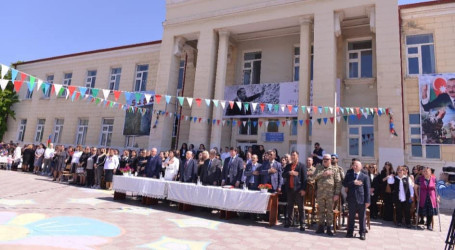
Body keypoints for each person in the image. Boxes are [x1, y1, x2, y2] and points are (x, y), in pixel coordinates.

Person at [313, 154, 341, 236]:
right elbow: (313, 178)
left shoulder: (335, 169)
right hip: (320, 193)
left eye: (327, 159)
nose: (325, 160)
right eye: (324, 159)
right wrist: (322, 174)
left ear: (330, 160)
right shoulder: (318, 168)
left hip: (330, 194)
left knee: (329, 211)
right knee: (320, 210)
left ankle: (329, 228)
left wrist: (336, 194)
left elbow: (338, 182)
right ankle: (321, 227)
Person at [343, 160, 370, 240]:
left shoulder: (365, 176)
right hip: (351, 199)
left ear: (360, 167)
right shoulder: (349, 175)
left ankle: (362, 233)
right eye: (354, 165)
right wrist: (353, 182)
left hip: (361, 200)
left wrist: (367, 201)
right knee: (351, 217)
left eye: (356, 165)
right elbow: (344, 183)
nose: (354, 167)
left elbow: (367, 189)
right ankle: (350, 232)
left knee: (362, 218)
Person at [282, 151, 307, 231]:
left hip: (298, 190)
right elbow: (283, 175)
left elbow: (305, 179)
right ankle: (289, 222)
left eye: (294, 155)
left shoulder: (302, 166)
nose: (292, 157)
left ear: (297, 157)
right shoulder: (288, 166)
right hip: (290, 189)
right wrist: (289, 172)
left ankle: (302, 224)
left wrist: (303, 189)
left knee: (300, 208)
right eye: (292, 155)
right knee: (290, 207)